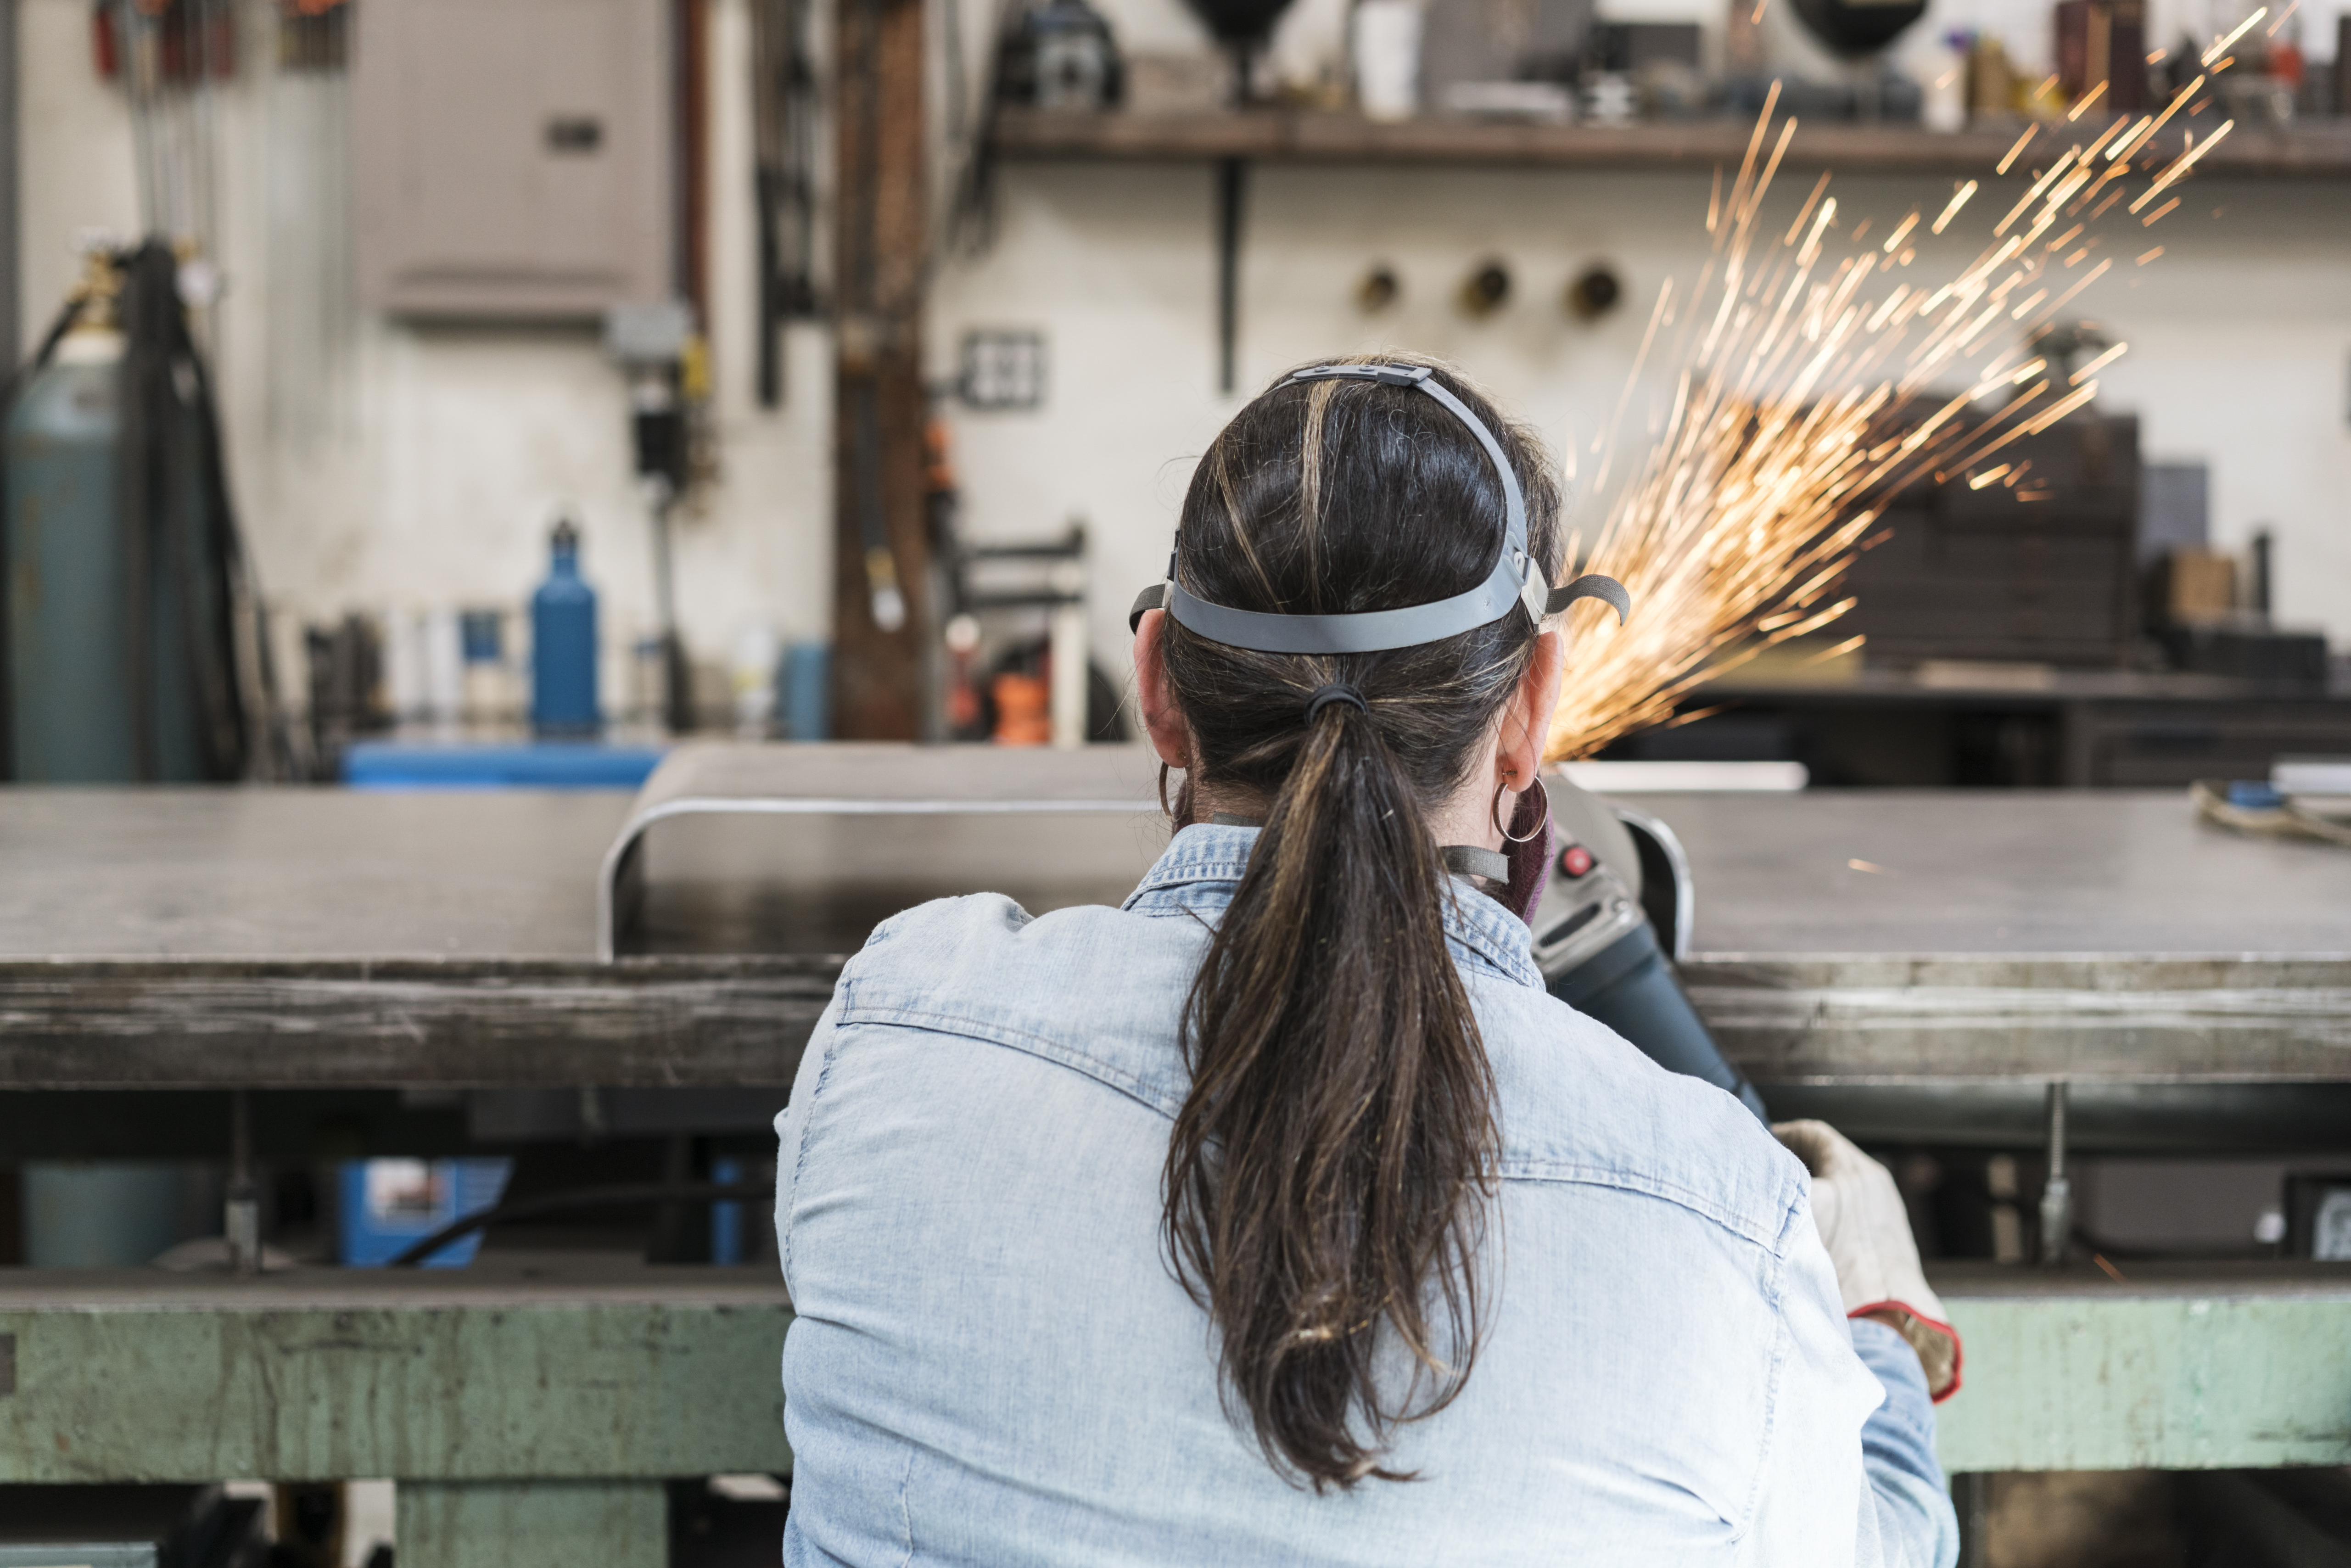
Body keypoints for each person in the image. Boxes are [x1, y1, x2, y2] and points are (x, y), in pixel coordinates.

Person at [773, 354, 1961, 1567]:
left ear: (1155, 683)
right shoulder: (1721, 1215)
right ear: (1531, 713)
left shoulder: (894, 1034)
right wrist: (1871, 1316)